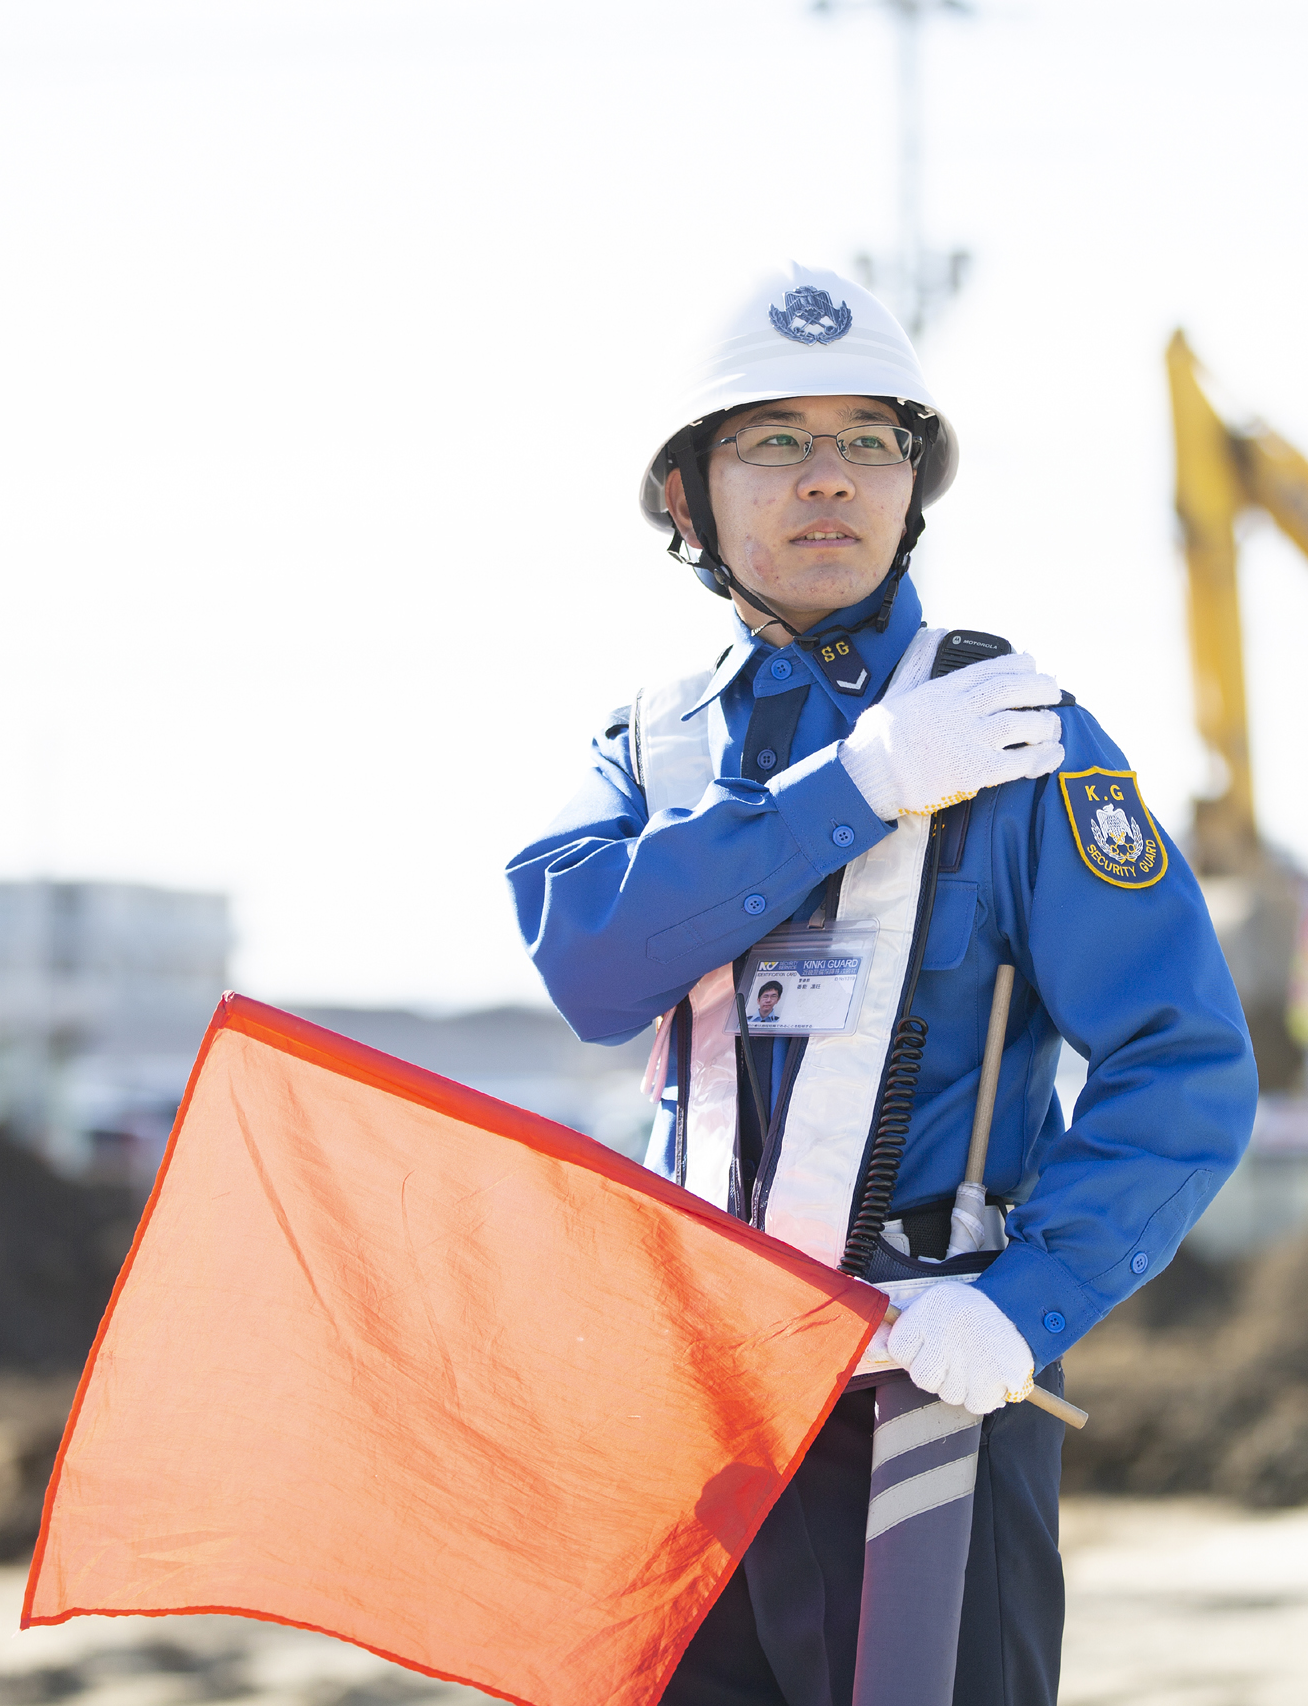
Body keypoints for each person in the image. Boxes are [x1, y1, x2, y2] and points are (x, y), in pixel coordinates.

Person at [506, 263, 1255, 1706]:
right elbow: (592, 962)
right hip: (701, 1403)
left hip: (931, 1385)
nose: (829, 478)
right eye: (774, 440)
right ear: (688, 496)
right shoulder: (648, 751)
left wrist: (1025, 1306)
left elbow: (1187, 1065)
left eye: (870, 440)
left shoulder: (1020, 732)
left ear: (917, 482)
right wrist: (854, 786)